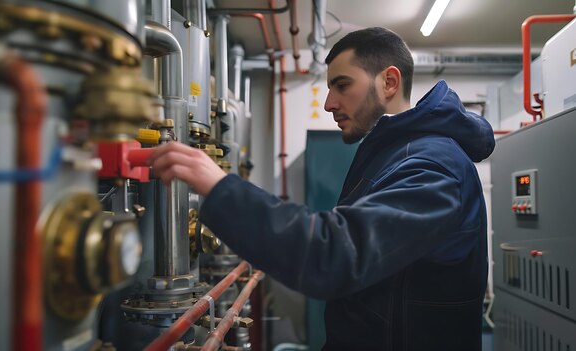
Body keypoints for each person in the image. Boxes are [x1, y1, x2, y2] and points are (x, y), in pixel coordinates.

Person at [149, 27, 494, 350]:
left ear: (389, 81)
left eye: (342, 85)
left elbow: (334, 255)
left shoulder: (432, 165)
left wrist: (221, 186)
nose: (329, 103)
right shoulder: (393, 154)